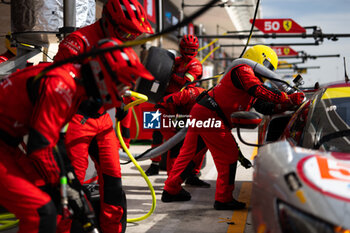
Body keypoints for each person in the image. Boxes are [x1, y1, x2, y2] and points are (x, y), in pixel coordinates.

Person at [0, 38, 153, 233]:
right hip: (4, 144)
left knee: (56, 201)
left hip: (9, 143)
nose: (121, 92)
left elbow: (58, 143)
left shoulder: (77, 88)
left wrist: (72, 185)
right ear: (102, 76)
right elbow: (40, 147)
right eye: (119, 85)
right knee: (41, 212)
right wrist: (67, 188)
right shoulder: (62, 85)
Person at [161, 45, 305, 210]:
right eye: (268, 67)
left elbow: (264, 107)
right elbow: (258, 90)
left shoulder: (249, 82)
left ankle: (170, 190)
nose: (268, 72)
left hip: (204, 112)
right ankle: (223, 199)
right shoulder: (242, 69)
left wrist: (286, 104)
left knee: (190, 155)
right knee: (228, 156)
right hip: (211, 114)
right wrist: (286, 97)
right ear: (261, 59)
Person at [53, 0, 153, 232]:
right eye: (125, 31)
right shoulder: (77, 43)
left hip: (103, 121)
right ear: (107, 22)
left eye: (133, 34)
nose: (129, 37)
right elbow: (60, 84)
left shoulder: (119, 43)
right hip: (76, 120)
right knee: (70, 190)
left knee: (113, 185)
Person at [145, 34, 203, 177]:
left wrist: (169, 74)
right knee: (156, 134)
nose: (189, 53)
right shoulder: (175, 61)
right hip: (162, 101)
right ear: (181, 48)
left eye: (192, 50)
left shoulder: (196, 65)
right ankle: (154, 165)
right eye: (187, 49)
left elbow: (185, 81)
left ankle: (182, 173)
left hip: (180, 105)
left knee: (176, 139)